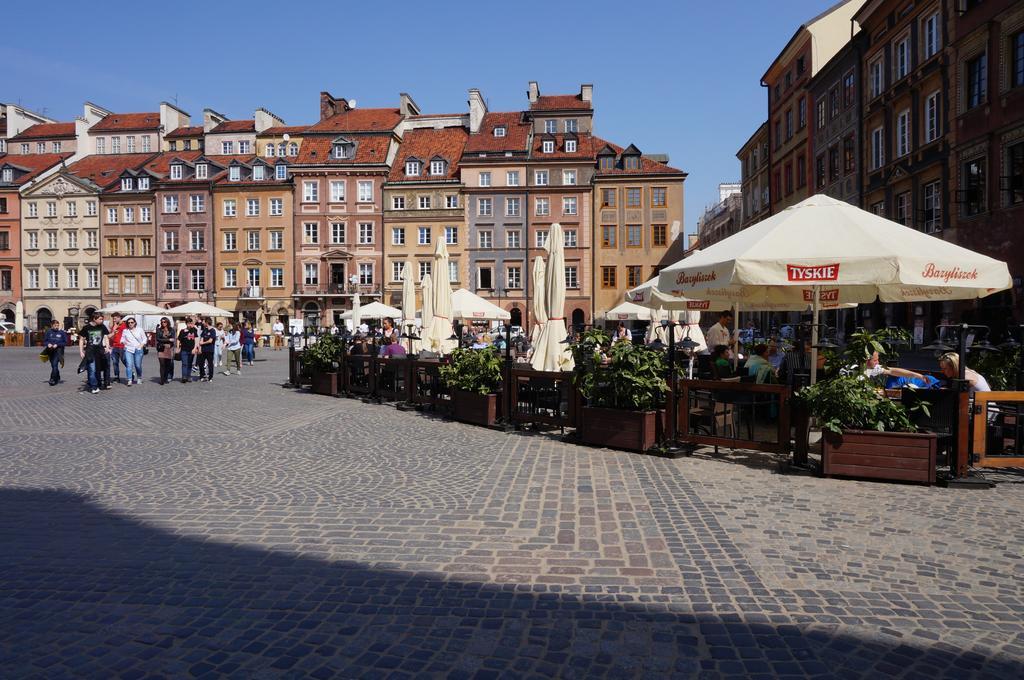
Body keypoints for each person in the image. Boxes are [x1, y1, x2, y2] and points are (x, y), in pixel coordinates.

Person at [78, 312, 110, 394]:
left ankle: (95, 383)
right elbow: (81, 339)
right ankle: (94, 386)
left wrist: (107, 346)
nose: (102, 320)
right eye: (100, 319)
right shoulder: (86, 328)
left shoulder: (102, 326)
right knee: (92, 369)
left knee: (98, 369)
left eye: (102, 319)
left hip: (100, 351)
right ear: (94, 319)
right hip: (90, 351)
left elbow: (106, 337)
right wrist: (81, 351)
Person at [121, 317, 148, 385]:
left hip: (138, 349)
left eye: (132, 322)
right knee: (129, 365)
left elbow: (145, 339)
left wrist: (141, 345)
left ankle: (139, 377)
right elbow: (122, 339)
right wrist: (124, 343)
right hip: (128, 349)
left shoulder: (139, 329)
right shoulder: (125, 331)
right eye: (129, 323)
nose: (130, 324)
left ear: (135, 323)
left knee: (137, 365)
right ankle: (129, 379)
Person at [43, 319, 69, 386]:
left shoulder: (62, 333)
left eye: (57, 325)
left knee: (54, 365)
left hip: (59, 351)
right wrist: (48, 344)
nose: (57, 327)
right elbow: (45, 341)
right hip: (50, 351)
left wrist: (57, 344)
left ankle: (52, 379)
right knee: (53, 366)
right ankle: (57, 376)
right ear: (51, 326)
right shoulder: (48, 332)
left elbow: (65, 342)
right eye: (55, 325)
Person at [107, 312, 127, 386]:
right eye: (113, 319)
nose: (114, 320)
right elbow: (112, 337)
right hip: (114, 346)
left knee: (124, 361)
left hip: (122, 346)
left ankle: (130, 372)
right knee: (115, 362)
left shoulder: (124, 325)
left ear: (119, 317)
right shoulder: (114, 326)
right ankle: (116, 376)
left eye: (115, 318)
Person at [176, 318, 199, 383]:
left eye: (191, 323)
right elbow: (178, 339)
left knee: (189, 364)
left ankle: (188, 376)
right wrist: (178, 348)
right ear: (186, 324)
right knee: (184, 364)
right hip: (184, 350)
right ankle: (184, 377)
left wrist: (195, 348)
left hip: (192, 350)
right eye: (188, 323)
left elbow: (196, 339)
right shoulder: (182, 331)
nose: (190, 324)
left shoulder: (194, 330)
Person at [155, 317, 176, 385]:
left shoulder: (171, 329)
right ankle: (162, 380)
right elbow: (158, 339)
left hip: (169, 348)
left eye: (164, 322)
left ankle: (165, 378)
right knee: (162, 364)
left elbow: (173, 339)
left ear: (167, 322)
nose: (163, 323)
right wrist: (168, 340)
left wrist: (170, 341)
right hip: (161, 348)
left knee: (168, 365)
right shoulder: (159, 330)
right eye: (162, 322)